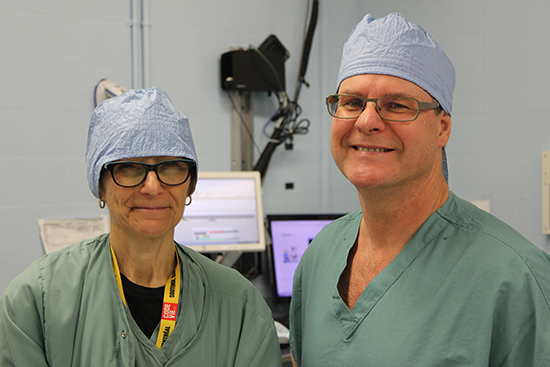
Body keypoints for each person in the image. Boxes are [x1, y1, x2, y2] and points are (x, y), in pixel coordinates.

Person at [289, 13, 550, 366]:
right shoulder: (319, 257)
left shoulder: (516, 278)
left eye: (396, 105)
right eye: (351, 103)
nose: (366, 121)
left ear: (442, 128)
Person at [0, 87, 282, 366]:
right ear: (99, 185)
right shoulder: (38, 301)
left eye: (171, 166)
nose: (152, 187)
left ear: (190, 185)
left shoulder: (240, 307)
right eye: (129, 167)